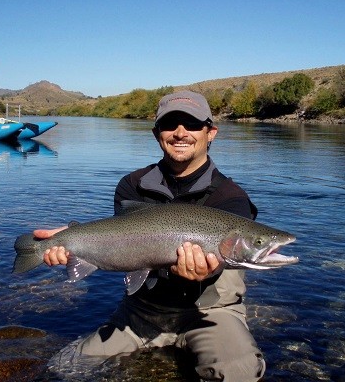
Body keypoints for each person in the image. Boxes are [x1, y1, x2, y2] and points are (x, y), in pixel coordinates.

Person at [35, 90, 265, 381]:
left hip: (209, 312)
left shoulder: (231, 198)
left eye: (192, 125)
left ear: (211, 133)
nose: (180, 133)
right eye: (171, 125)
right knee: (64, 369)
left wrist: (207, 270)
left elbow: (235, 256)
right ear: (157, 133)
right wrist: (74, 241)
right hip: (142, 311)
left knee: (239, 373)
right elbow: (121, 243)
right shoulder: (132, 185)